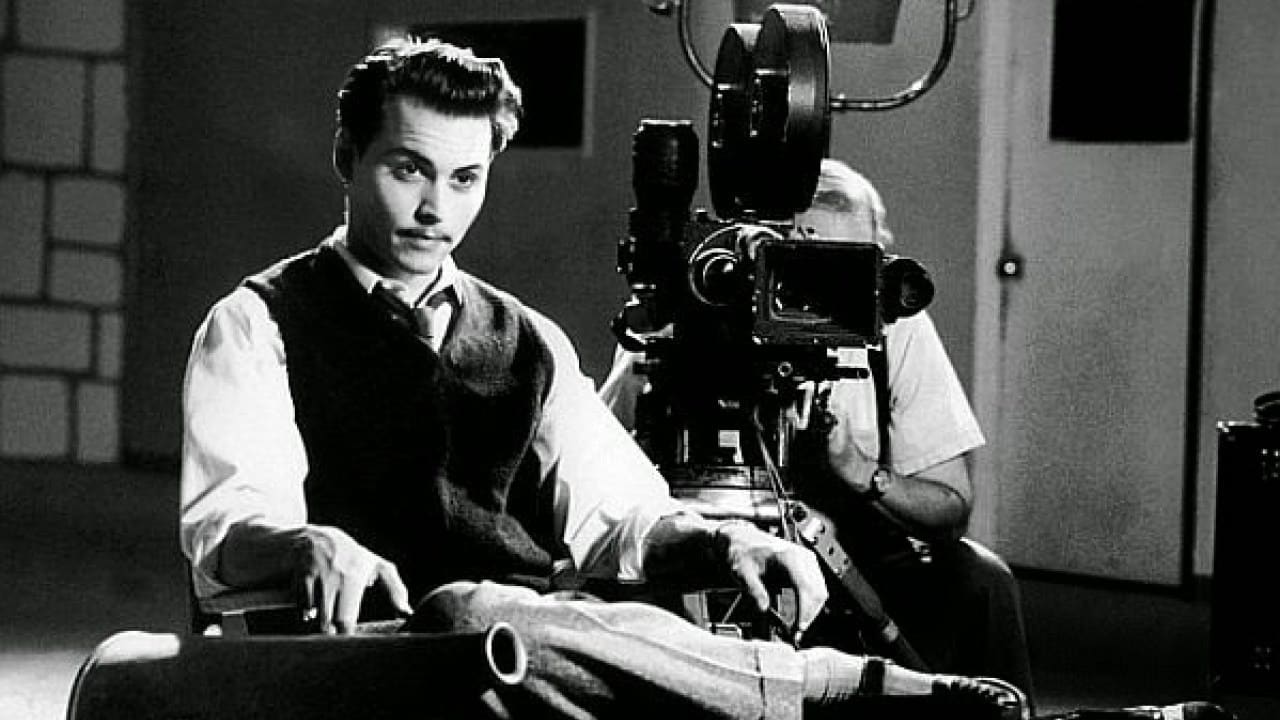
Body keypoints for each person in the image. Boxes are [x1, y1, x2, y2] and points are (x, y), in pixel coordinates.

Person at [179, 37, 1019, 718]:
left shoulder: (528, 341)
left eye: (465, 178)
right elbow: (225, 526)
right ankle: (834, 692)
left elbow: (622, 517)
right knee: (465, 613)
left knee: (564, 622)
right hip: (358, 658)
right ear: (346, 156)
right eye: (408, 170)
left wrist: (725, 542)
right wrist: (301, 544)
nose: (437, 208)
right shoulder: (257, 324)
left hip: (529, 662)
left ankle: (806, 691)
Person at [599, 159, 1036, 698]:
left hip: (854, 566)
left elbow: (951, 506)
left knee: (981, 581)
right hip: (713, 545)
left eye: (846, 273)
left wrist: (860, 470)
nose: (821, 295)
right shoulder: (694, 313)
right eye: (800, 269)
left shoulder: (894, 329)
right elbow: (602, 474)